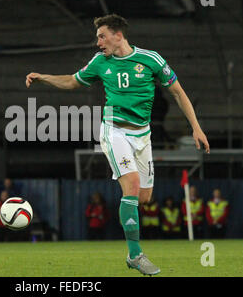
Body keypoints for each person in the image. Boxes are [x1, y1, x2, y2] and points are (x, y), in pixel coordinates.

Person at [26, 14, 210, 275]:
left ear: (118, 35)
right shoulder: (100, 62)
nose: (98, 42)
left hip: (142, 136)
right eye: (98, 37)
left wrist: (196, 126)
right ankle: (135, 255)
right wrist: (43, 77)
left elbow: (178, 92)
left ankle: (130, 224)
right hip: (114, 131)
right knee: (132, 186)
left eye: (102, 36)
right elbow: (71, 81)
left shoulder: (151, 59)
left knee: (144, 198)